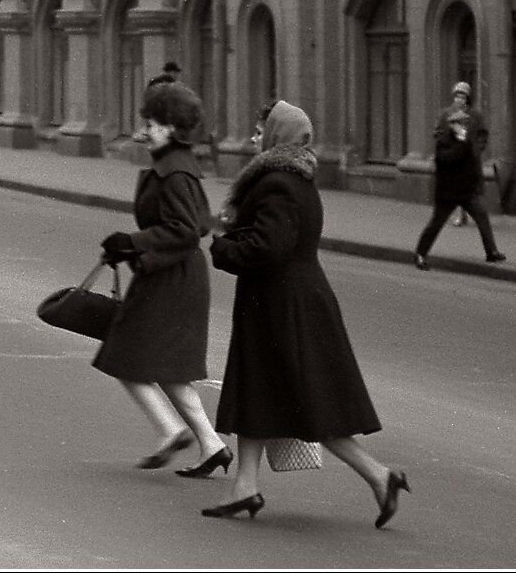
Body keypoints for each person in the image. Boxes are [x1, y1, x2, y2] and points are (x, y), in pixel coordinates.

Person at [206, 100, 408, 527]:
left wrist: (224, 249)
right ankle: (244, 486)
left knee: (309, 401)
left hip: (282, 308)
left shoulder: (277, 182)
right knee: (258, 393)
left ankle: (378, 474)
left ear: (277, 136)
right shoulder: (298, 179)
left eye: (261, 131)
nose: (255, 138)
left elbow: (269, 247)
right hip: (285, 303)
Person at [94, 83, 231, 477]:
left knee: (125, 354)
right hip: (169, 273)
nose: (145, 131)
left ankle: (171, 431)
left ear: (171, 128)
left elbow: (187, 229)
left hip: (171, 277)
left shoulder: (175, 172)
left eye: (152, 124)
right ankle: (211, 445)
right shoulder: (175, 165)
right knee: (166, 366)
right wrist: (128, 248)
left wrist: (132, 241)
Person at [415, 82, 505, 269]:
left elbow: (476, 146)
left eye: (463, 123)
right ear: (452, 125)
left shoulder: (470, 131)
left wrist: (474, 153)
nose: (462, 127)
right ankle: (420, 254)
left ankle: (491, 252)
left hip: (466, 189)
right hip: (448, 192)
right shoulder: (445, 142)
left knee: (481, 216)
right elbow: (447, 158)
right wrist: (463, 144)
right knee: (436, 224)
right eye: (458, 124)